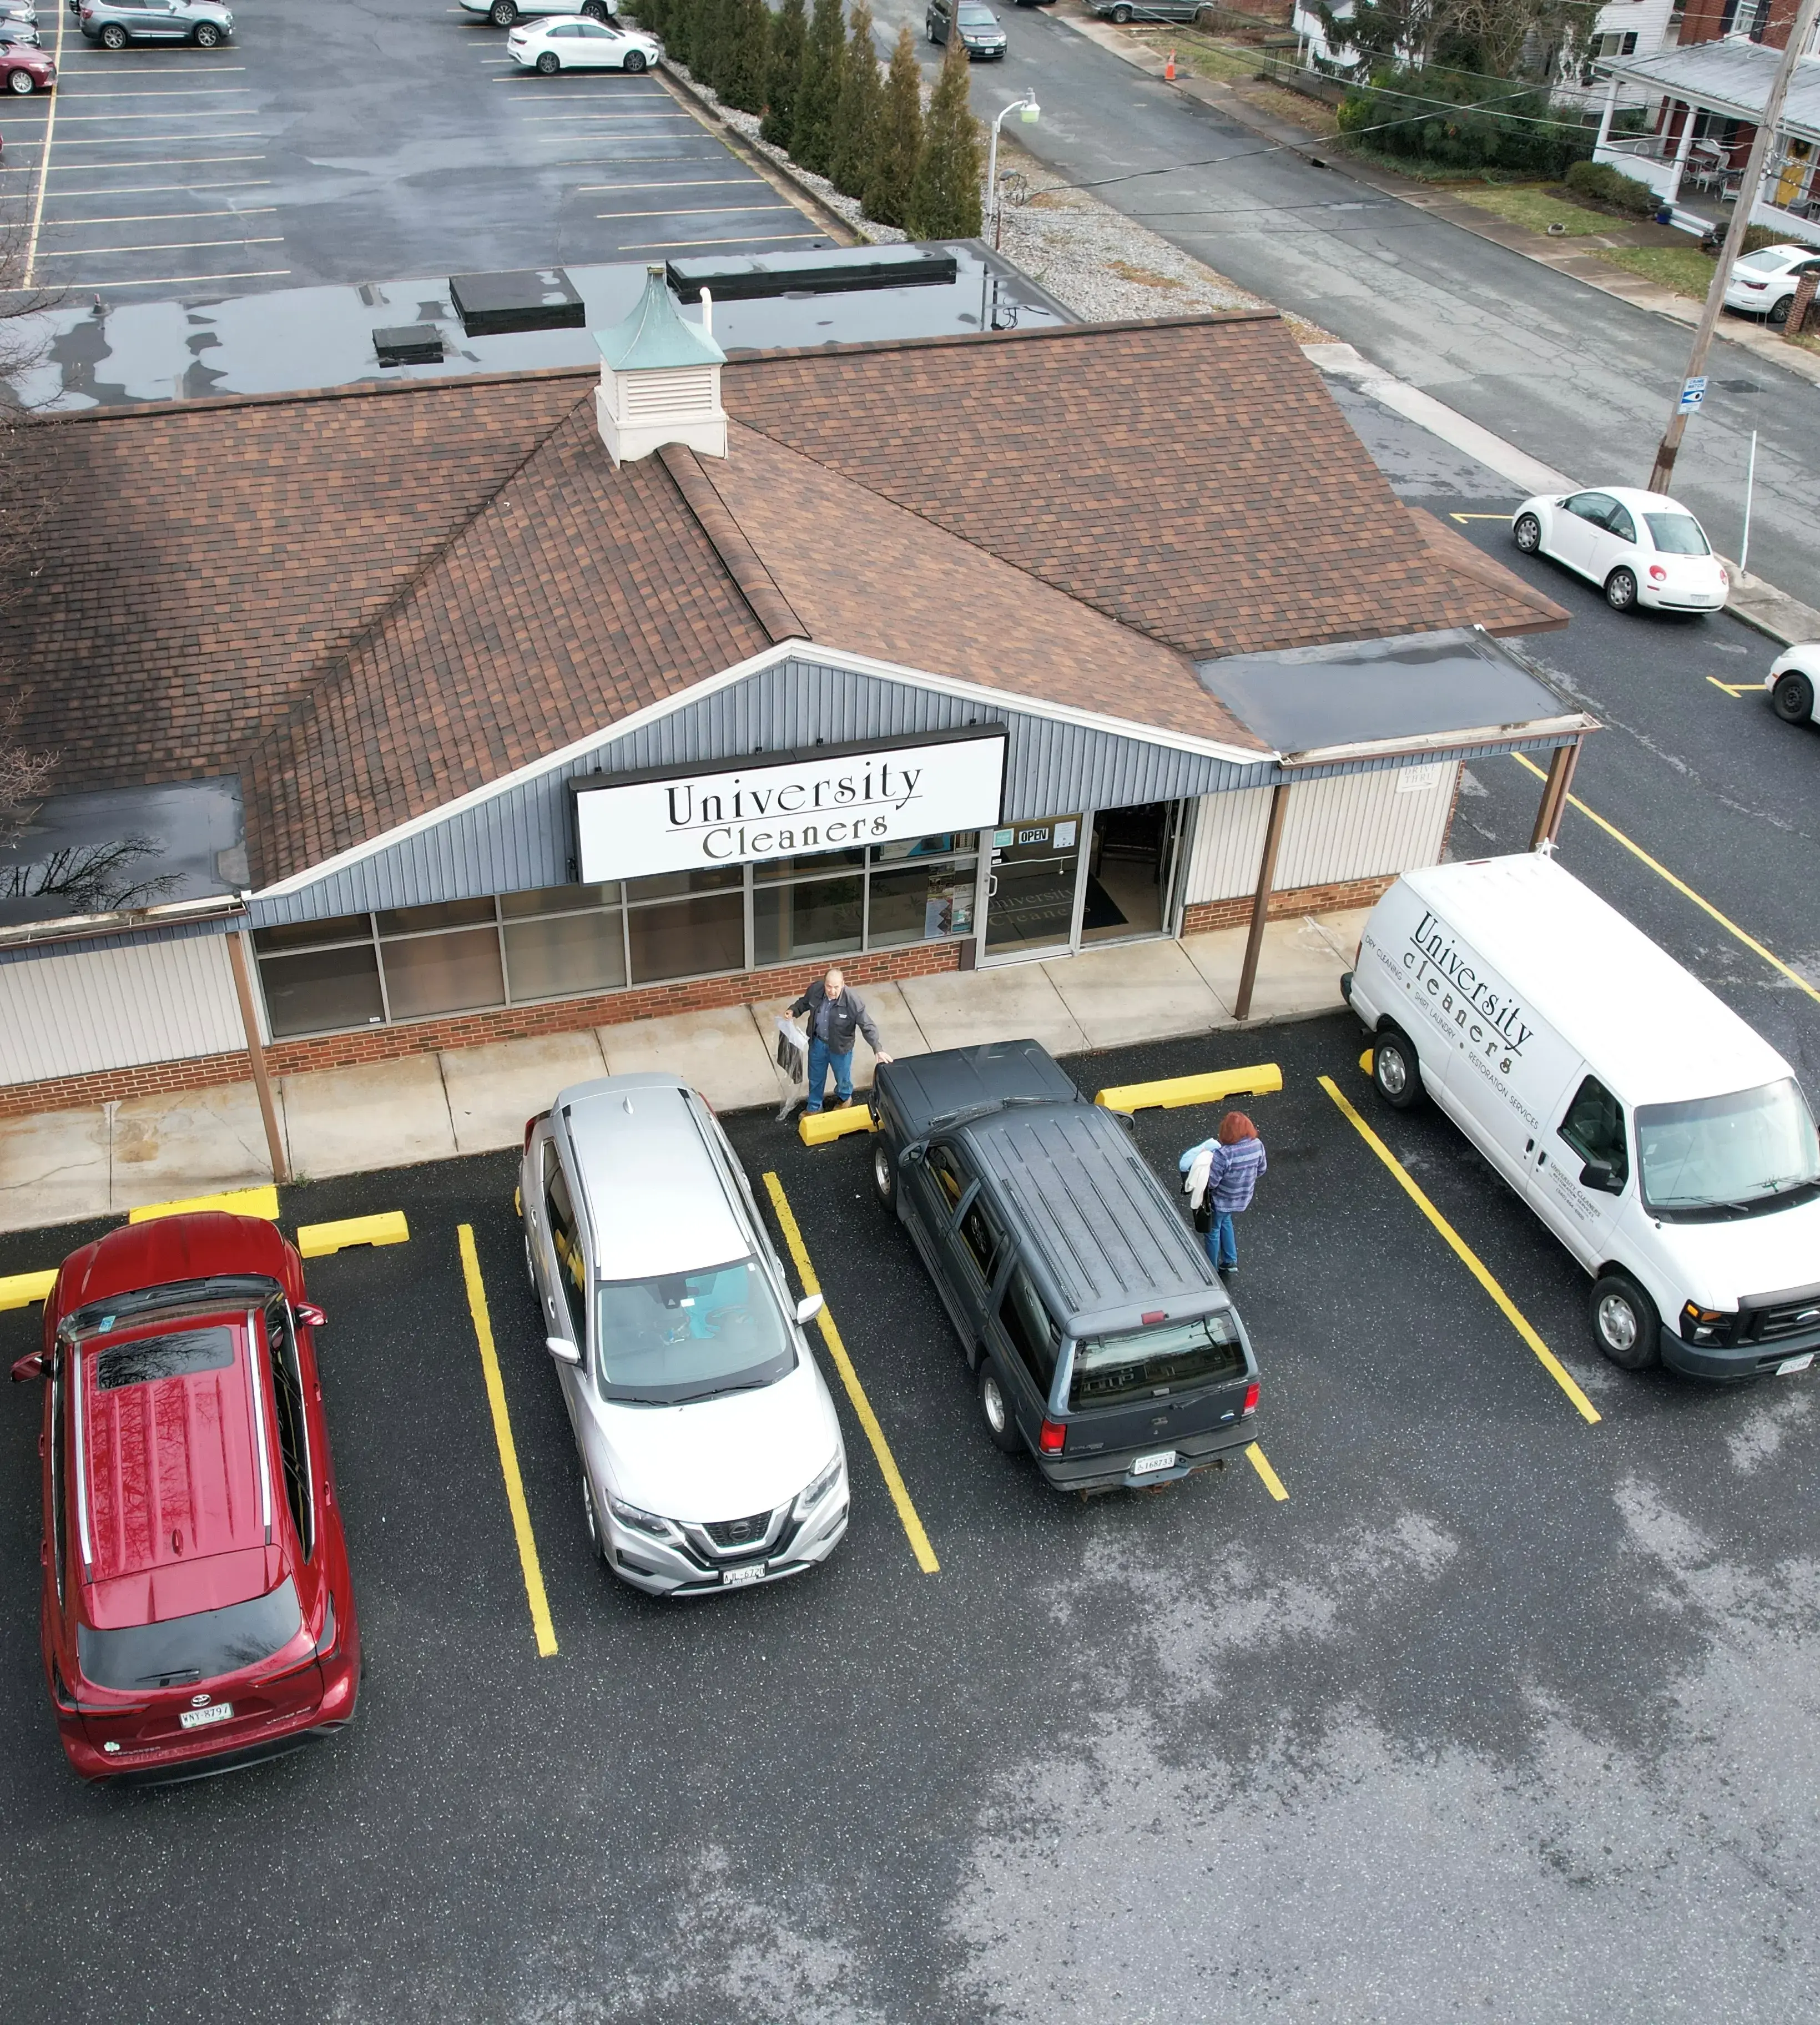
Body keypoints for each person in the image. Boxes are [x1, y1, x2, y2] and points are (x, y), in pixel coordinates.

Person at [788, 965, 893, 1114]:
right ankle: (814, 1107)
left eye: (836, 987)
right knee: (815, 1077)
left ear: (843, 984)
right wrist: (793, 1010)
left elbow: (867, 1025)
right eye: (829, 986)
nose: (832, 991)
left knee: (843, 1078)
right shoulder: (816, 990)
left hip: (840, 1048)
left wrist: (878, 1048)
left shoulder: (853, 1001)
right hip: (818, 1043)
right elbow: (804, 1002)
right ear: (824, 984)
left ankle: (845, 1099)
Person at [1178, 1110, 1267, 1280]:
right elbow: (1261, 1169)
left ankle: (1211, 1270)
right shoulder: (1257, 1145)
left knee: (1212, 1231)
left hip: (1221, 1200)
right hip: (1242, 1198)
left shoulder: (1224, 1154)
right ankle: (1230, 1261)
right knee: (1226, 1220)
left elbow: (1212, 1183)